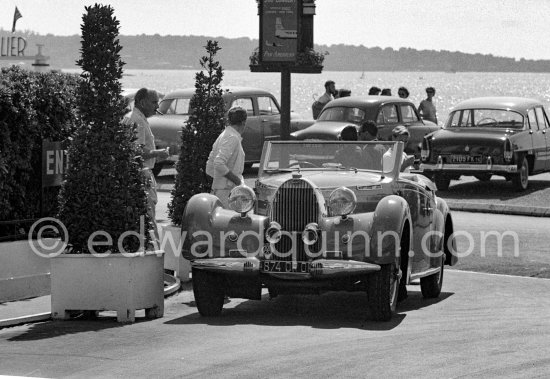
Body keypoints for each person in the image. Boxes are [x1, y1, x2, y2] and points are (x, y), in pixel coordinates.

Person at [122, 88, 170, 241]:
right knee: (148, 215)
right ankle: (153, 249)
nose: (157, 106)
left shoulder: (133, 117)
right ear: (142, 102)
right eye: (154, 102)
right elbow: (137, 152)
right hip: (141, 173)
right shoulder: (137, 120)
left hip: (136, 172)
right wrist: (159, 153)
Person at [206, 106, 248, 208]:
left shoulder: (225, 134)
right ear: (243, 122)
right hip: (227, 192)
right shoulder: (232, 137)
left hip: (223, 189)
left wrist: (216, 182)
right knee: (231, 222)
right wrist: (237, 182)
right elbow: (219, 163)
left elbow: (209, 167)